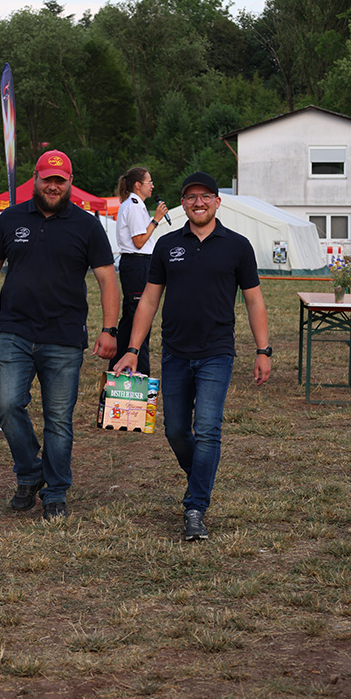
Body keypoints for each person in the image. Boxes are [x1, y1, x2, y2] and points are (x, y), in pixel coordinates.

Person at [0, 150, 120, 521]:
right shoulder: (11, 219)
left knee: (58, 418)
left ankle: (56, 491)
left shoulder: (86, 225)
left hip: (64, 336)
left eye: (60, 180)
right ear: (36, 178)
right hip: (15, 329)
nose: (53, 185)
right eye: (47, 178)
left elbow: (108, 278)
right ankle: (30, 473)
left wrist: (110, 329)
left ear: (70, 182)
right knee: (9, 405)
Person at [112, 172, 271, 542]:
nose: (198, 202)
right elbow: (149, 300)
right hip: (175, 352)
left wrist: (263, 350)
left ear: (218, 201)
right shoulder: (167, 245)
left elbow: (254, 300)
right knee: (175, 430)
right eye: (190, 197)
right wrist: (132, 350)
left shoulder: (237, 246)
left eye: (205, 196)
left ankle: (195, 506)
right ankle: (201, 471)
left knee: (209, 429)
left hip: (217, 352)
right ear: (182, 204)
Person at [109, 167, 168, 376]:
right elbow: (139, 241)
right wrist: (156, 219)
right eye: (149, 181)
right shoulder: (133, 206)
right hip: (137, 263)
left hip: (139, 263)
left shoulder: (136, 205)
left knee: (131, 319)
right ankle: (140, 372)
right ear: (138, 185)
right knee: (141, 319)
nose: (152, 185)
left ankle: (117, 365)